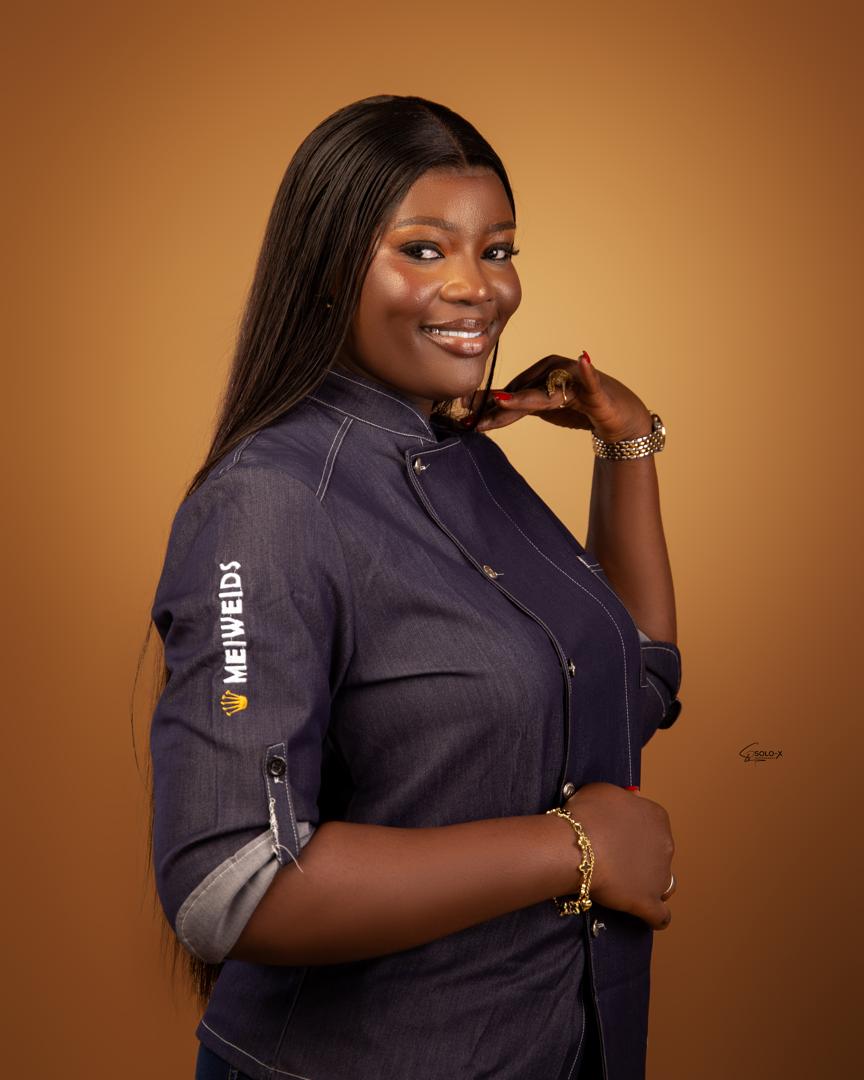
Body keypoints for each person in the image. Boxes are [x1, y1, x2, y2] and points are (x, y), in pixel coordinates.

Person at [147, 94, 683, 1080]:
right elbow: (228, 883)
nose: (480, 287)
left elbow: (630, 683)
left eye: (498, 249)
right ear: (328, 267)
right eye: (426, 250)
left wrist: (629, 446)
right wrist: (572, 851)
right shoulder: (265, 504)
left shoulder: (467, 456)